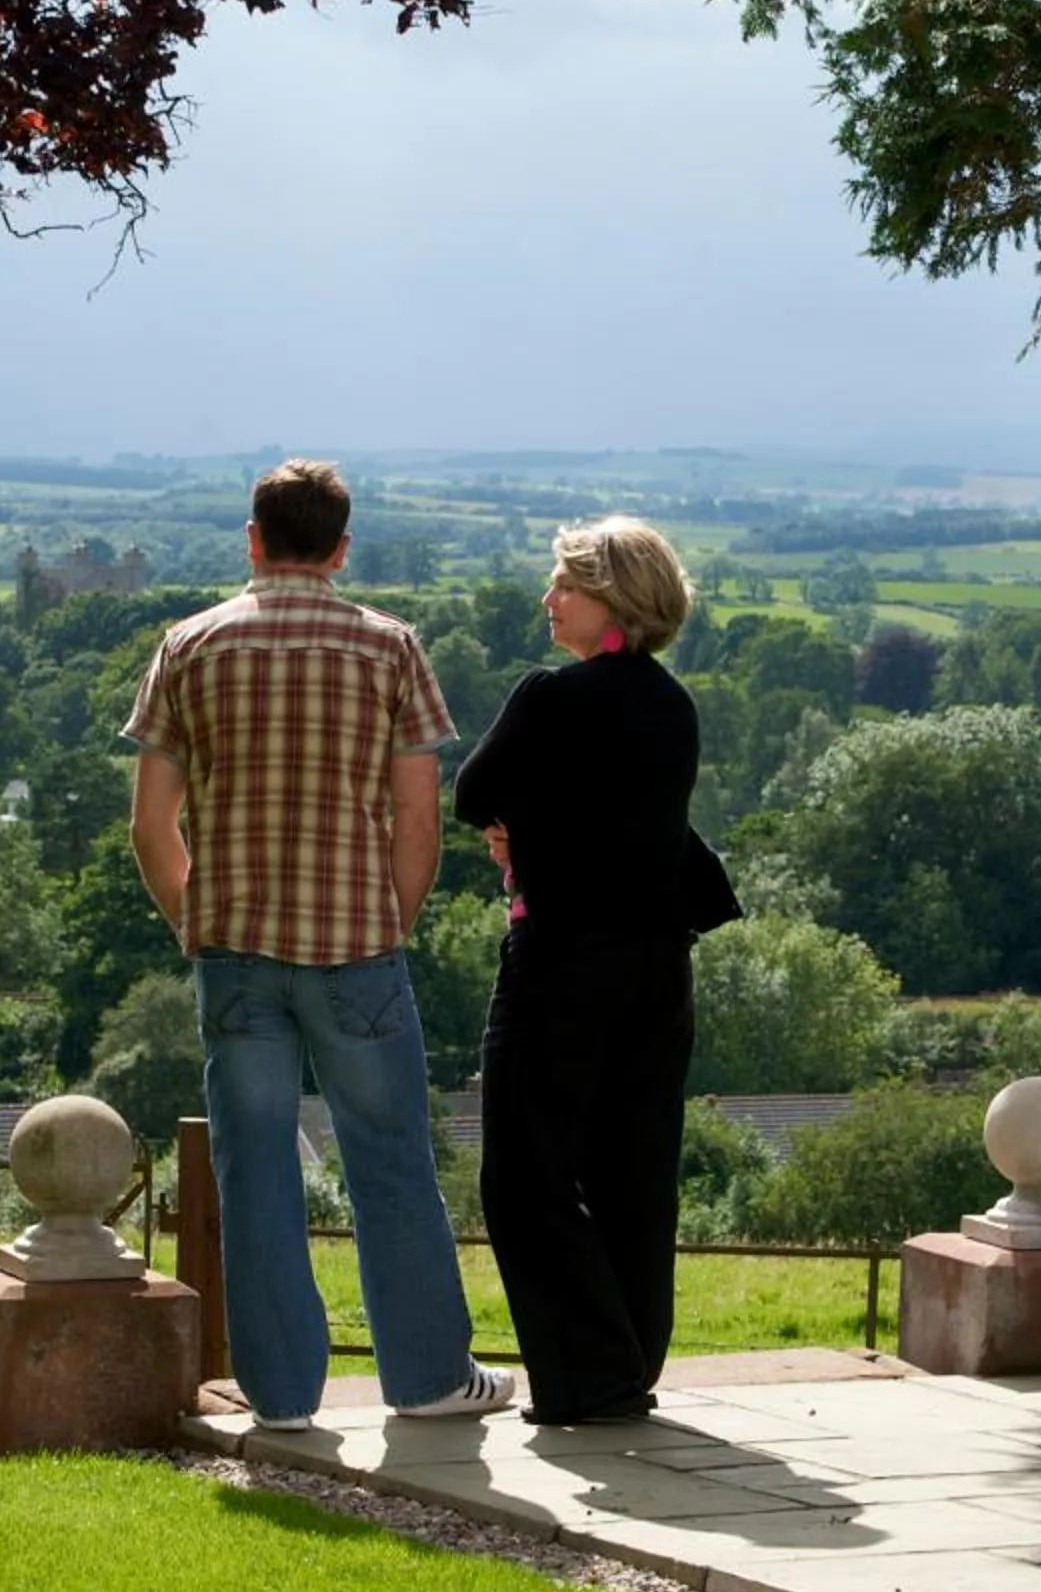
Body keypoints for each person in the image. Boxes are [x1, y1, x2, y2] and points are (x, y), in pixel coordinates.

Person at [124, 459, 513, 1431]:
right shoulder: (390, 648)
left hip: (235, 952)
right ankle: (427, 1378)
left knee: (255, 1170)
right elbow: (418, 822)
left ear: (253, 540)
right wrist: (391, 922)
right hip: (356, 949)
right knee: (391, 1164)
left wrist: (195, 925)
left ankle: (282, 1396)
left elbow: (151, 825)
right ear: (341, 549)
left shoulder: (189, 646)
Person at [453, 515, 738, 1425]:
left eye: (564, 585)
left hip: (562, 963)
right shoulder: (675, 705)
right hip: (658, 968)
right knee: (634, 1171)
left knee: (523, 1173)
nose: (549, 599)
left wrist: (523, 828)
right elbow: (631, 821)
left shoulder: (551, 696)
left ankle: (589, 1374)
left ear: (608, 600)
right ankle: (628, 1364)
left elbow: (472, 792)